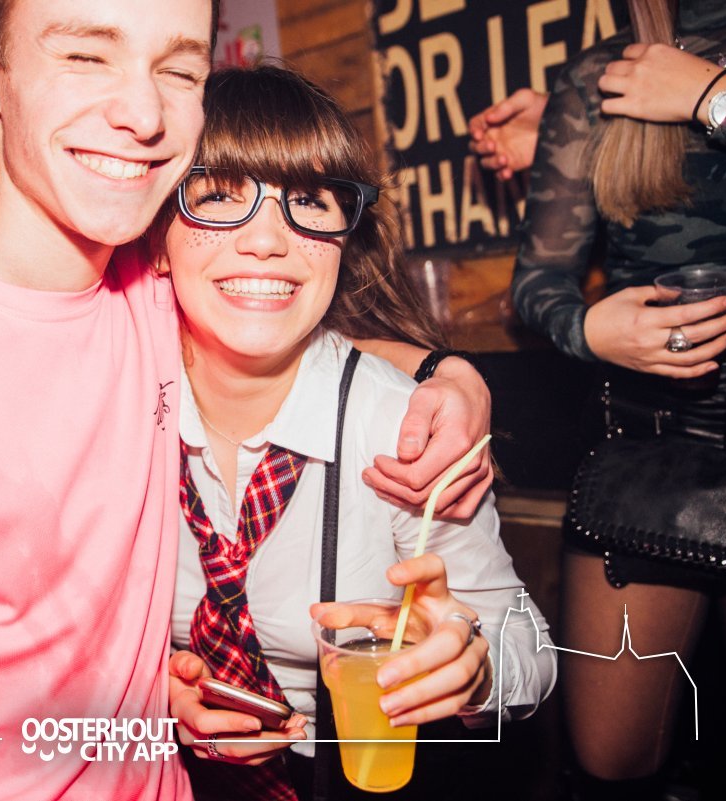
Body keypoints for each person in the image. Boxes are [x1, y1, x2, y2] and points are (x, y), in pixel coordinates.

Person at [0, 2, 493, 799]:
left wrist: (448, 375)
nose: (143, 112)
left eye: (177, 69)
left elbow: (285, 316)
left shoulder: (153, 286)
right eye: (86, 55)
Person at [159, 65, 555, 801]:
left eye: (308, 201)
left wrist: (472, 665)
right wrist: (157, 695)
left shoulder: (401, 427)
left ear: (343, 237)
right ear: (157, 231)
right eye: (218, 195)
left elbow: (529, 650)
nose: (267, 240)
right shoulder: (109, 403)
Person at [509, 0, 726, 797]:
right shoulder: (603, 73)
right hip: (649, 443)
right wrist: (587, 329)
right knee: (608, 759)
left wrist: (713, 97)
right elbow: (537, 280)